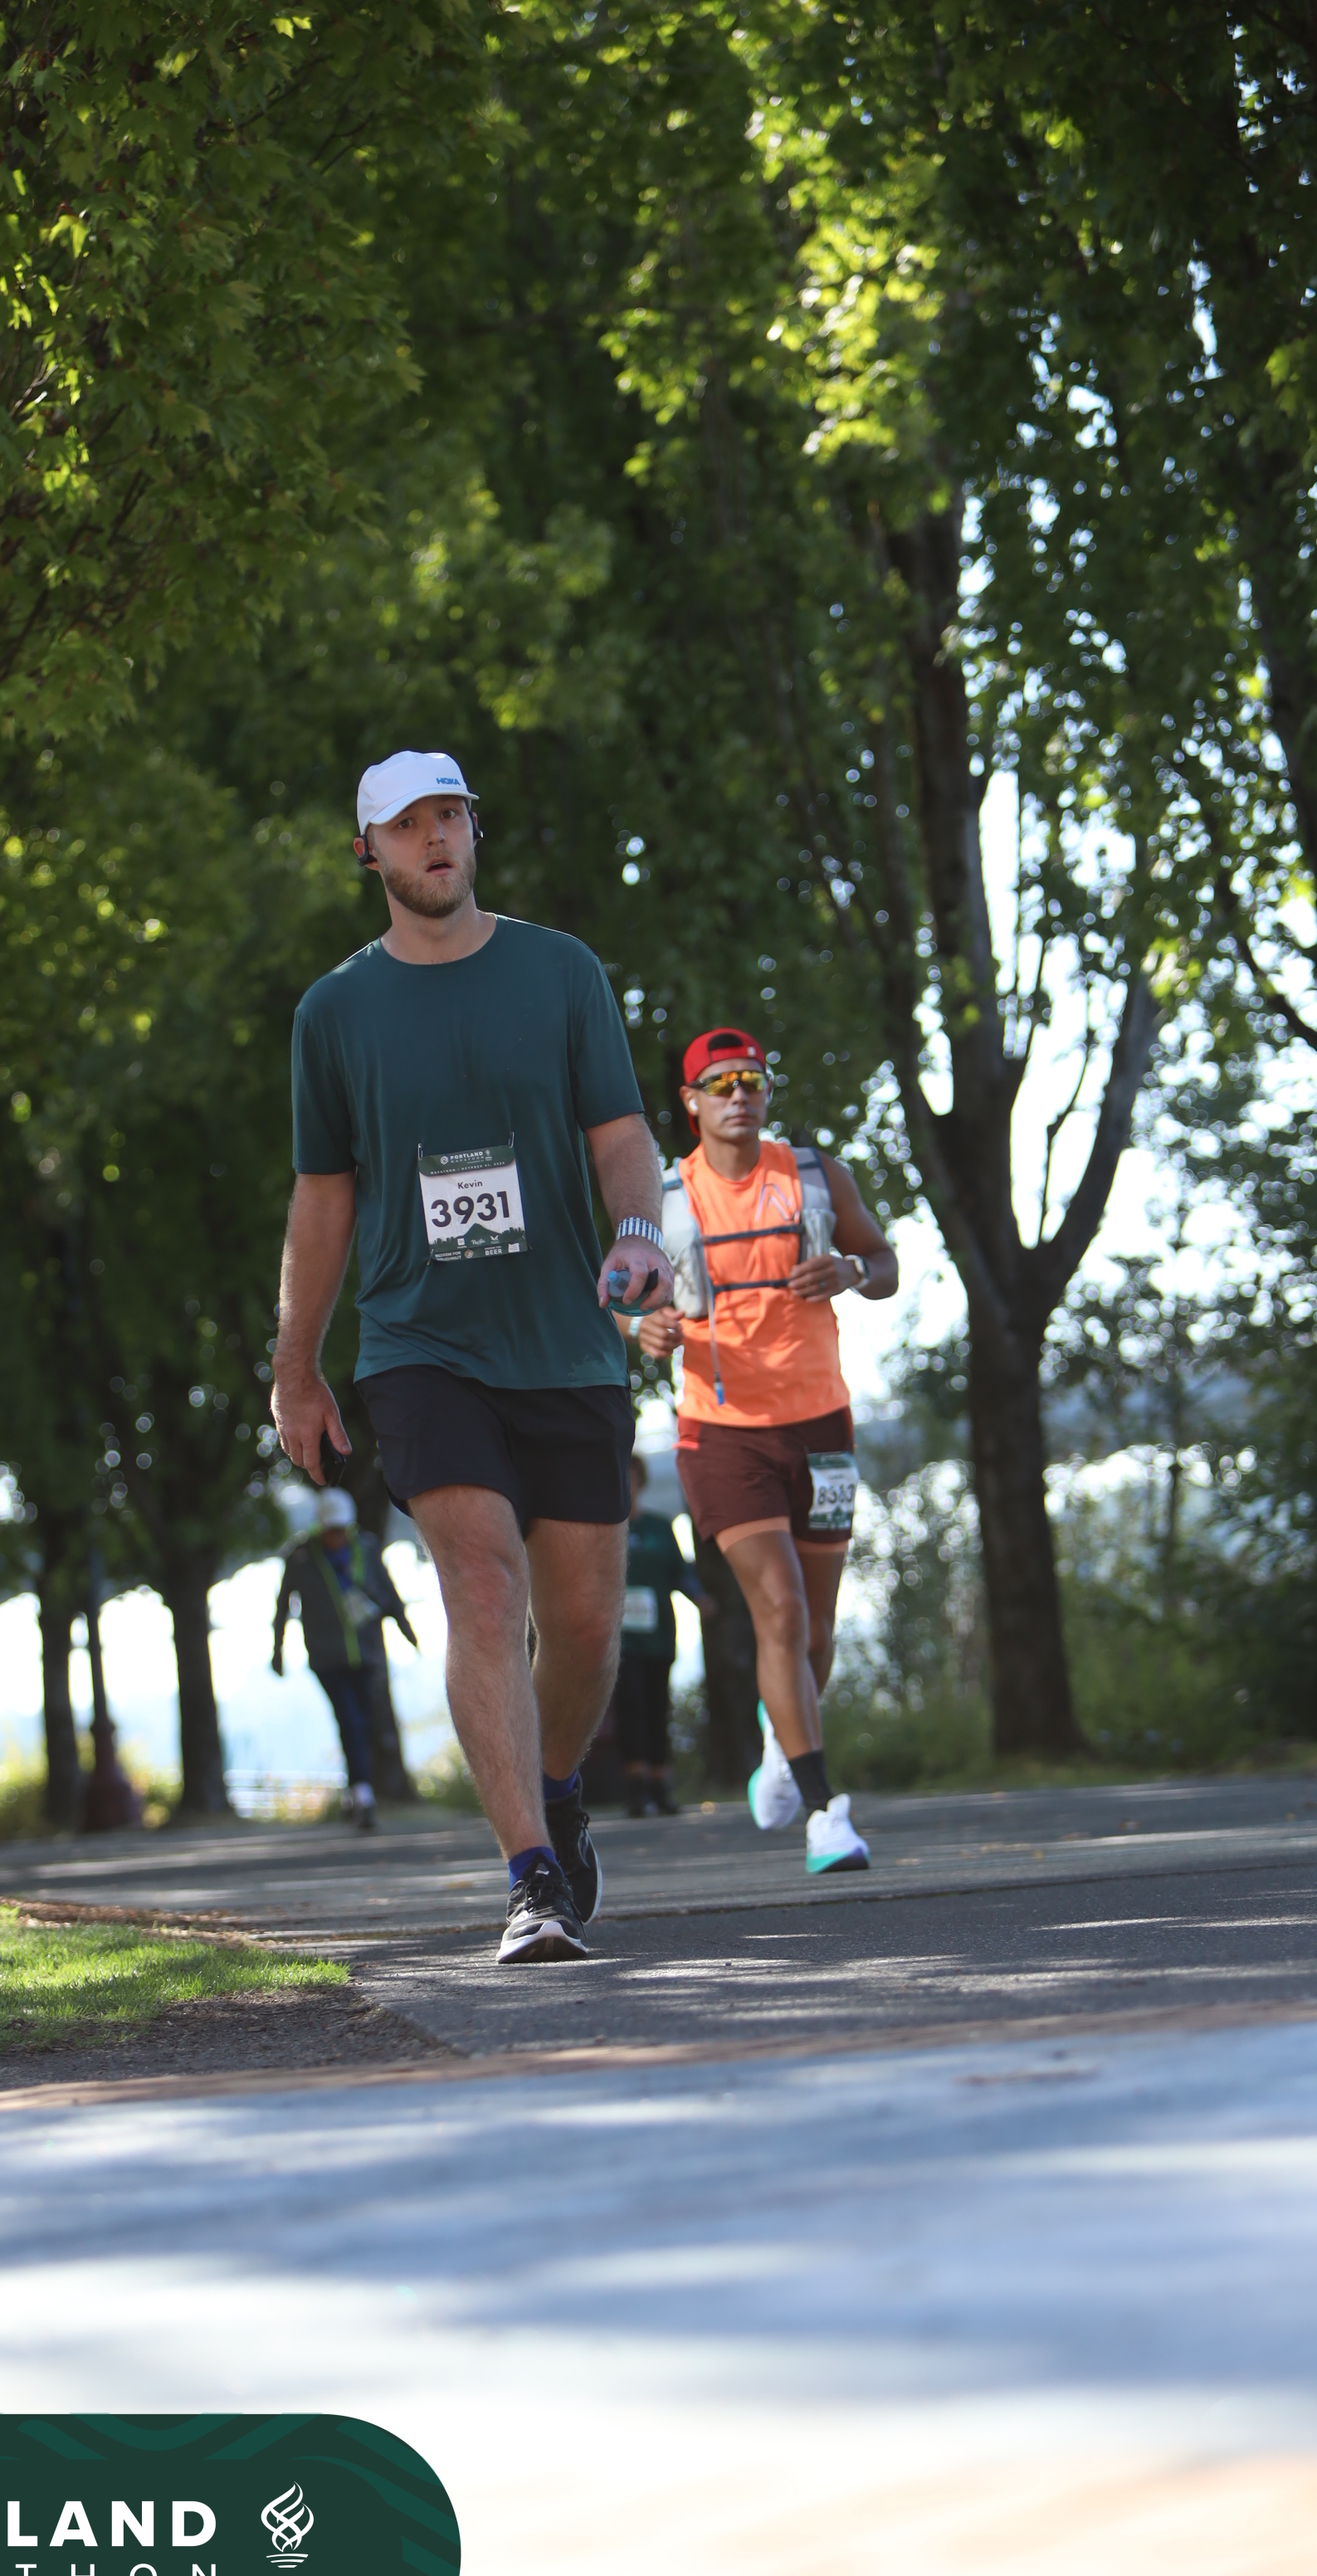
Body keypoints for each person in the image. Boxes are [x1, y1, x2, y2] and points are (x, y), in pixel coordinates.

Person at [271, 747, 672, 1965]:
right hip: (419, 1345)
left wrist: (640, 1232)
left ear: (472, 830)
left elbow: (621, 1133)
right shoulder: (334, 1012)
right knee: (484, 1588)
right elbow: (323, 1197)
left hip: (563, 1342)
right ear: (368, 852)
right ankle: (530, 1876)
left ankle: (554, 1788)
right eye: (408, 825)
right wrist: (296, 1364)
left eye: (450, 815)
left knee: (586, 1629)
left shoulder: (560, 972)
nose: (435, 838)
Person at [619, 1026, 896, 1873]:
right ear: (691, 1103)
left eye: (751, 1080)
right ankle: (824, 1815)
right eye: (721, 1084)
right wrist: (642, 1328)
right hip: (721, 1433)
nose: (739, 1095)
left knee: (815, 1625)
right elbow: (620, 1296)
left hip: (822, 1428)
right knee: (778, 1608)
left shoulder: (816, 1175)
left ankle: (783, 1744)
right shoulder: (662, 1197)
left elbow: (883, 1262)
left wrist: (851, 1272)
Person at [271, 1487, 420, 1831]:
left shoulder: (365, 1548)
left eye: (341, 1529)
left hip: (366, 1652)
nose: (336, 1536)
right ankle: (363, 1795)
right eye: (331, 1529)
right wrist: (278, 1651)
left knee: (362, 1722)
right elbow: (283, 1606)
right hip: (327, 1657)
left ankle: (355, 1792)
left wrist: (407, 1631)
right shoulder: (300, 1558)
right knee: (350, 1720)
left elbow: (388, 1591)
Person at [615, 1454, 710, 1817]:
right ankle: (635, 1790)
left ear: (641, 1482)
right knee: (631, 1707)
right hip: (619, 1640)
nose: (627, 1483)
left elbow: (679, 1571)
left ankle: (660, 1786)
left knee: (657, 1706)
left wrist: (700, 1598)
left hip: (659, 1635)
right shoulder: (605, 1528)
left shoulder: (659, 1527)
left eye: (632, 1476)